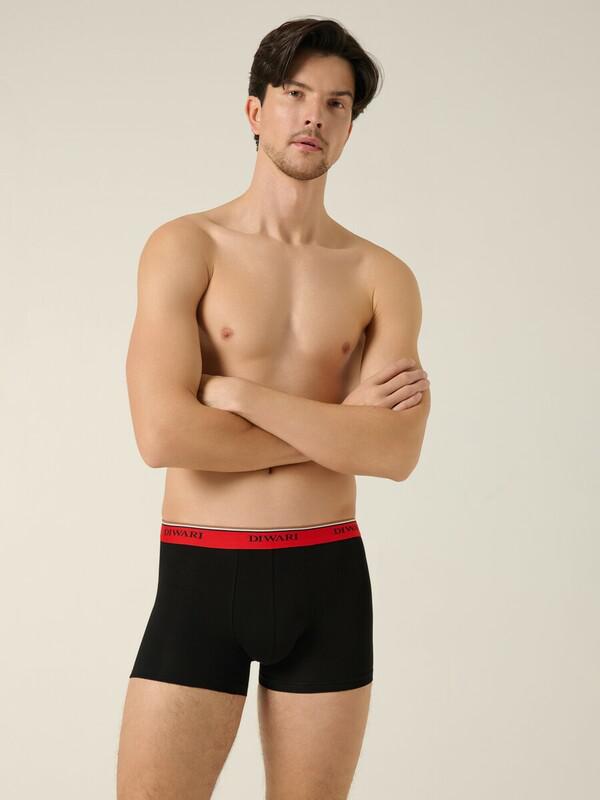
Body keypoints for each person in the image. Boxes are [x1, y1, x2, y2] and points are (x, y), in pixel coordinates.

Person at [116, 16, 431, 800]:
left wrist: (241, 395)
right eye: (295, 94)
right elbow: (162, 434)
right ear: (255, 110)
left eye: (336, 103)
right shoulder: (186, 246)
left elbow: (394, 453)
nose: (314, 115)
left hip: (329, 580)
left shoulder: (381, 276)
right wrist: (339, 426)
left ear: (350, 126)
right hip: (201, 575)